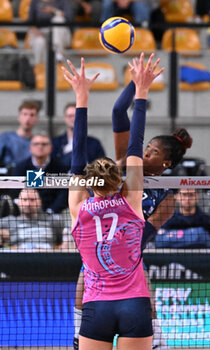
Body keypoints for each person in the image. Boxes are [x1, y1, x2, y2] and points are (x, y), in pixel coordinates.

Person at [72, 61, 192, 349]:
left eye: (153, 152)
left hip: (129, 250)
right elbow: (117, 112)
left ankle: (158, 338)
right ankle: (79, 334)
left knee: (141, 292)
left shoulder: (167, 198)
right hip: (109, 248)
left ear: (166, 164)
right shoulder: (130, 171)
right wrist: (137, 84)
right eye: (146, 147)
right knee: (81, 285)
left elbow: (142, 237)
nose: (145, 152)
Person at [63, 53, 160, 350]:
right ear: (119, 181)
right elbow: (135, 143)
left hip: (97, 307)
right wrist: (141, 92)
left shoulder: (79, 207)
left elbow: (77, 156)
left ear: (88, 184)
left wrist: (82, 98)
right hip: (135, 305)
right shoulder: (132, 201)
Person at [12, 132, 69, 213]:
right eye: (36, 144)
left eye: (44, 144)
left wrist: (51, 210)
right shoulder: (20, 167)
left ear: (51, 148)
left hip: (52, 214)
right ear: (30, 148)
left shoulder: (61, 168)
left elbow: (64, 194)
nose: (40, 147)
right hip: (26, 213)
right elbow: (15, 192)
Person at [52, 102, 105, 170]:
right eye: (70, 116)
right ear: (65, 118)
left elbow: (102, 166)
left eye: (76, 116)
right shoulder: (55, 143)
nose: (73, 119)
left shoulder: (94, 143)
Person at [27, 0, 73, 65]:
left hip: (59, 32)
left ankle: (58, 56)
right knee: (39, 42)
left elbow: (69, 17)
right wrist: (37, 32)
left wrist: (53, 11)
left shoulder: (62, 1)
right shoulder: (35, 1)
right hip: (40, 31)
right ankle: (40, 65)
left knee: (58, 20)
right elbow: (30, 22)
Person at [0, 101, 40, 168]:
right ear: (19, 117)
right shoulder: (5, 138)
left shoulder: (39, 143)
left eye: (32, 115)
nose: (28, 118)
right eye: (25, 114)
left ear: (37, 119)